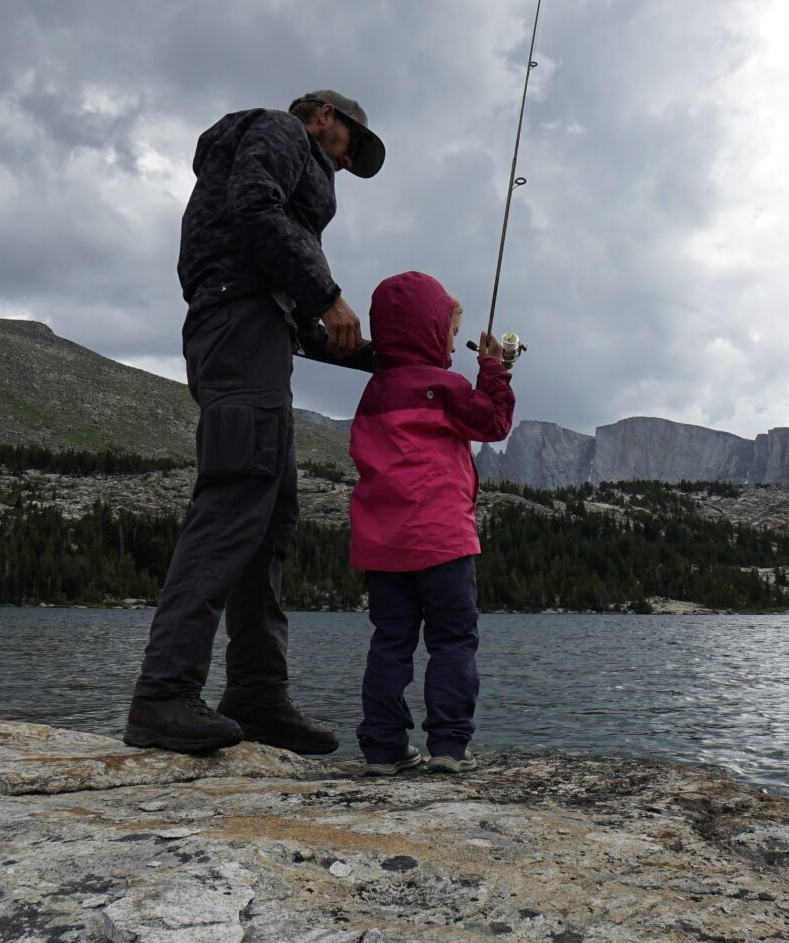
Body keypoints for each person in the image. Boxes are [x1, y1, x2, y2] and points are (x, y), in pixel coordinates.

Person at [123, 91, 384, 756]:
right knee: (238, 495)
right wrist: (327, 294)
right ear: (322, 113)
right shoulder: (277, 131)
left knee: (269, 516)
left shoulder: (280, 224)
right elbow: (254, 207)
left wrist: (384, 358)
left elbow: (303, 320)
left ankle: (257, 694)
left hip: (258, 328)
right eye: (351, 143)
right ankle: (164, 692)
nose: (348, 161)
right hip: (238, 325)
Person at [346, 271, 516, 776]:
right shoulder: (444, 387)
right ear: (429, 331)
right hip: (443, 542)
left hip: (383, 548)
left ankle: (382, 750)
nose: (449, 339)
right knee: (453, 642)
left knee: (389, 644)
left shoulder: (373, 393)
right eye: (448, 329)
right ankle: (448, 746)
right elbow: (493, 422)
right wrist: (493, 368)